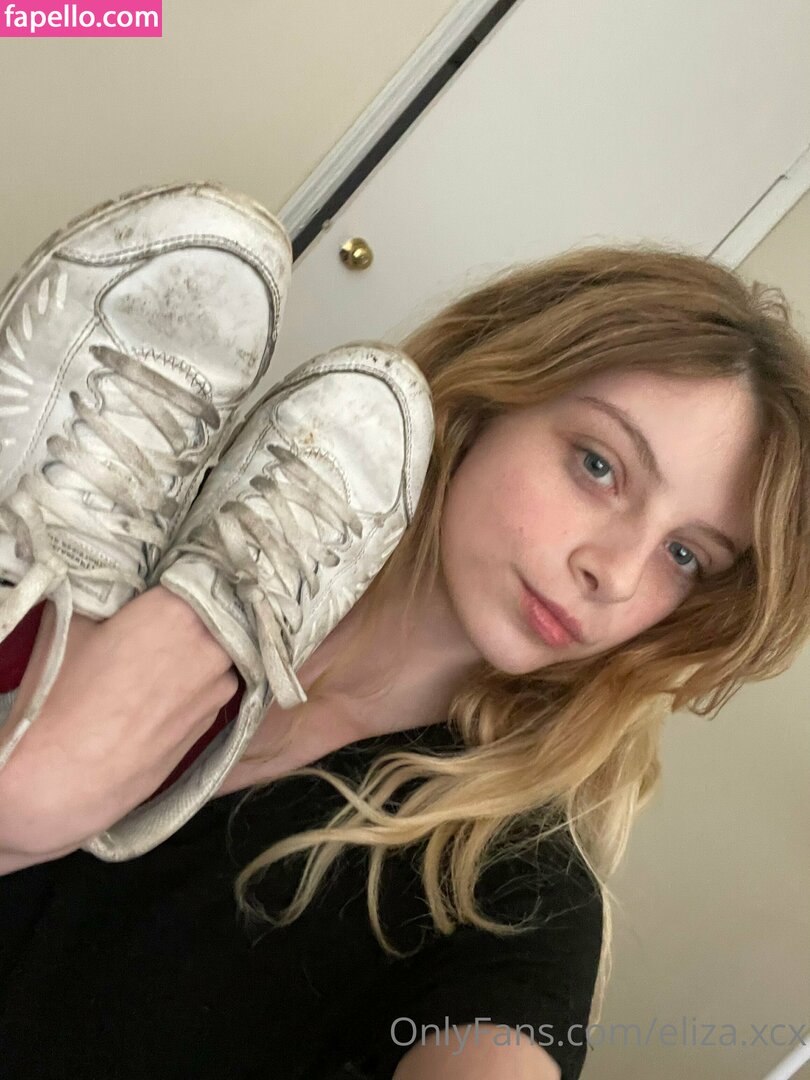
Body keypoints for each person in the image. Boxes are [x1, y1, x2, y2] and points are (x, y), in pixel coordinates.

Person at [2, 184, 810, 1080]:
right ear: (489, 397)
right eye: (598, 465)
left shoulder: (509, 888)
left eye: (685, 555)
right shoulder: (136, 505)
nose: (615, 573)